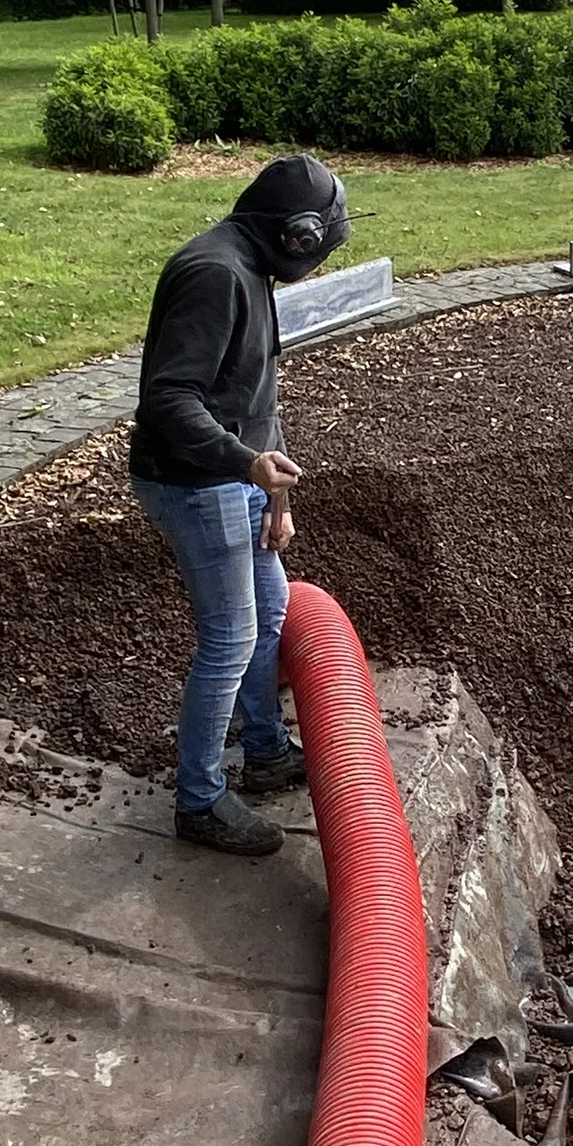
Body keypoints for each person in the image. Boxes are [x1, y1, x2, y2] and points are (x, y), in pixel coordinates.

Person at [128, 153, 351, 856]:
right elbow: (169, 400)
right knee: (229, 637)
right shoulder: (215, 275)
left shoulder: (250, 268)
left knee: (272, 607)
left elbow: (256, 396)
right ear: (299, 234)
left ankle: (265, 750)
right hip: (192, 481)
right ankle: (198, 800)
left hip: (232, 476)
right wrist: (245, 465)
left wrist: (271, 490)